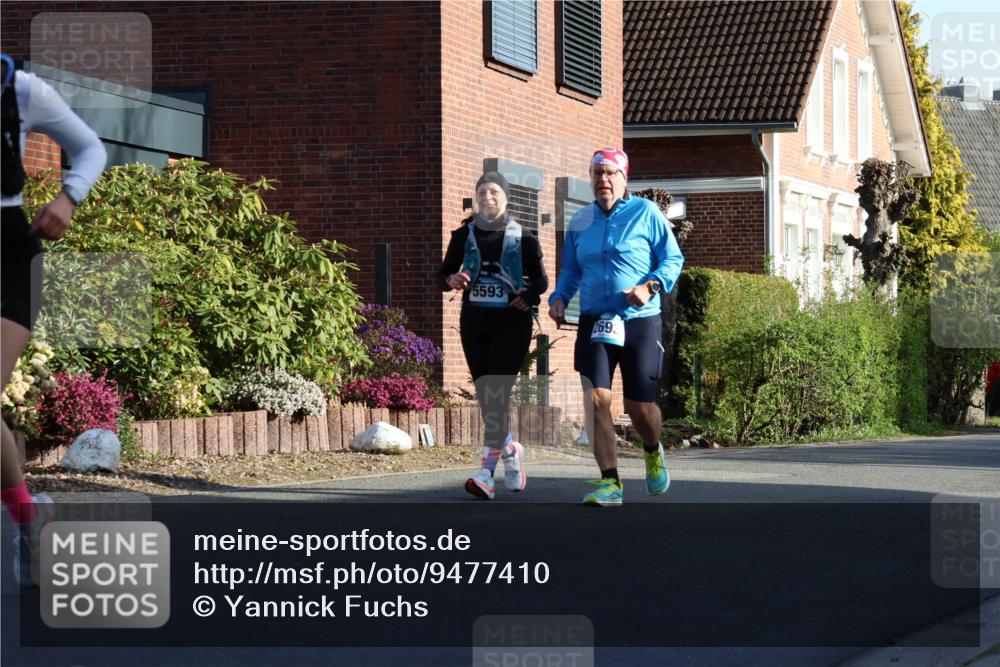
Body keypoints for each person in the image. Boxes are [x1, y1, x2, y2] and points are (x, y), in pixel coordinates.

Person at [1, 54, 107, 583]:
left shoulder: (20, 89)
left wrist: (67, 198)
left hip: (7, 255)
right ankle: (30, 514)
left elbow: (91, 148)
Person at [548, 148, 684, 506]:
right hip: (596, 320)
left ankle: (652, 450)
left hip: (639, 318)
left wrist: (650, 286)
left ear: (624, 179)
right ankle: (611, 482)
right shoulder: (580, 221)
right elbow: (571, 270)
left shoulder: (645, 212)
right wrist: (559, 297)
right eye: (597, 174)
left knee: (639, 407)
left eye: (610, 173)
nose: (603, 180)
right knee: (597, 399)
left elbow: (673, 258)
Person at [437, 171, 547, 500]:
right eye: (483, 192)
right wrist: (451, 279)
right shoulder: (462, 235)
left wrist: (527, 296)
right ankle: (511, 450)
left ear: (506, 198)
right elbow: (442, 274)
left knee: (495, 393)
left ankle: (486, 474)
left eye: (494, 192)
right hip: (475, 321)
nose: (488, 197)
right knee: (488, 399)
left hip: (511, 324)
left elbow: (540, 281)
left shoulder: (524, 237)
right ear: (476, 198)